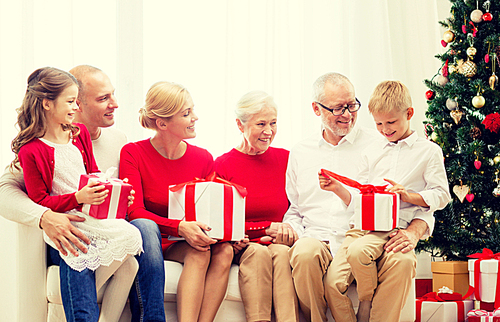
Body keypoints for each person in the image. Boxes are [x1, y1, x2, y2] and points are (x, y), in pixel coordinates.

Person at [0, 65, 166, 322]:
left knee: (138, 239)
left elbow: (97, 176)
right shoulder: (34, 149)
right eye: (103, 99)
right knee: (75, 249)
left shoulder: (99, 137)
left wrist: (119, 195)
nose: (115, 104)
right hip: (69, 222)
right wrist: (47, 215)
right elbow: (18, 193)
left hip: (98, 218)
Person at [283, 72, 435, 322]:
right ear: (316, 109)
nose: (347, 114)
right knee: (304, 254)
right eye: (338, 108)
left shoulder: (383, 140)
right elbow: (295, 209)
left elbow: (416, 200)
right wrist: (290, 228)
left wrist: (413, 232)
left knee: (403, 261)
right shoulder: (300, 152)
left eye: (352, 105)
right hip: (318, 236)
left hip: (371, 235)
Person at [318, 80, 451, 322]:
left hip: (395, 229)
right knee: (332, 283)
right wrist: (338, 189)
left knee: (400, 264)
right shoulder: (371, 151)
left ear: (409, 114)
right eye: (379, 123)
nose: (384, 129)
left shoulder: (428, 151)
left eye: (391, 122)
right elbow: (358, 200)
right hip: (361, 229)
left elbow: (442, 195)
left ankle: (373, 311)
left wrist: (407, 195)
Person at [119, 81, 235, 322]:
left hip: (189, 238)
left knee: (223, 251)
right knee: (200, 252)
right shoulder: (133, 153)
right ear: (162, 123)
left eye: (192, 110)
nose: (195, 118)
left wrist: (230, 233)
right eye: (186, 113)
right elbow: (135, 213)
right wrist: (179, 226)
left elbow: (210, 210)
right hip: (155, 241)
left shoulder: (203, 157)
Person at [214, 90, 299, 322]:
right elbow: (220, 221)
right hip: (245, 245)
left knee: (282, 254)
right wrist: (264, 229)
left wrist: (287, 230)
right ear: (240, 125)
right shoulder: (222, 165)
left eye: (273, 123)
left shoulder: (286, 159)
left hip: (279, 241)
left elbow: (301, 207)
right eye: (261, 124)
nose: (269, 131)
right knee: (258, 253)